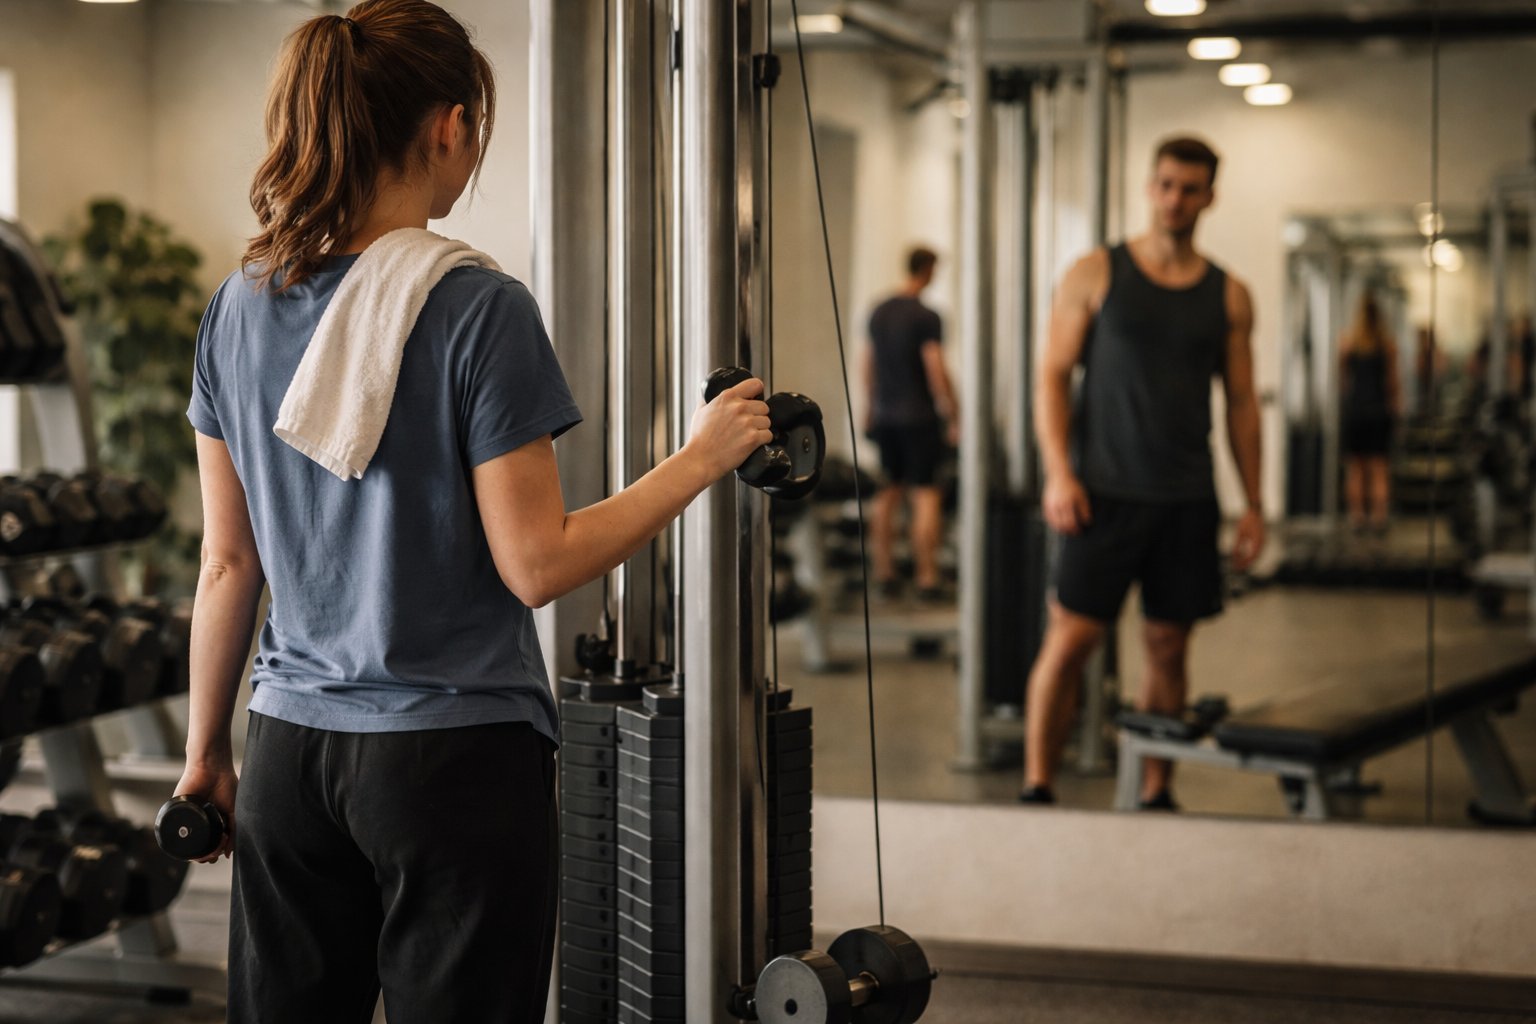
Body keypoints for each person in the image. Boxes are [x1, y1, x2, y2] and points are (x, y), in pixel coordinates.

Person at [177, 3, 772, 1021]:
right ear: (449, 126)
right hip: (448, 758)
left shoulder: (240, 302)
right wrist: (701, 457)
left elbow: (228, 565)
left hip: (285, 747)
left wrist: (205, 755)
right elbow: (537, 563)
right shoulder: (475, 306)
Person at [1022, 137, 1264, 808]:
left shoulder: (1230, 294)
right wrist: (1057, 473)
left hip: (1186, 497)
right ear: (1149, 187)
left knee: (1167, 646)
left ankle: (1156, 790)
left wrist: (1254, 502)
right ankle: (1038, 785)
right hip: (1100, 493)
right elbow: (1050, 374)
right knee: (1069, 641)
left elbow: (1242, 403)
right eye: (1164, 185)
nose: (1174, 199)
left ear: (1209, 197)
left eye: (1189, 188)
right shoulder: (1096, 273)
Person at [864, 247, 959, 600]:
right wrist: (953, 412)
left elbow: (867, 364)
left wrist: (870, 408)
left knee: (887, 494)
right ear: (929, 269)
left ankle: (885, 574)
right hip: (919, 418)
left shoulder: (879, 310)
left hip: (887, 417)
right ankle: (926, 578)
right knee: (925, 496)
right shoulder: (926, 316)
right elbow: (935, 368)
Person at [1340, 294, 1400, 532]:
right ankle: (1378, 516)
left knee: (1356, 468)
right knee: (1379, 468)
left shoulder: (1349, 343)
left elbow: (1344, 381)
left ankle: (1357, 516)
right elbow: (1393, 383)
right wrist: (1395, 411)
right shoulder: (1387, 344)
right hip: (1377, 410)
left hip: (1357, 410)